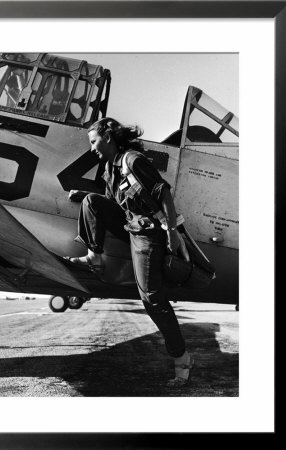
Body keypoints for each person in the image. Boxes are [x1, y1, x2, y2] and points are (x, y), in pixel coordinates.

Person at [67, 117, 194, 386]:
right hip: (130, 226)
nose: (92, 149)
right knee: (92, 201)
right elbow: (115, 206)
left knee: (151, 298)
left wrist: (171, 233)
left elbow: (164, 193)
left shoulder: (133, 160)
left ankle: (181, 357)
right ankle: (93, 256)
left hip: (149, 234)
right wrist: (85, 196)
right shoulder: (108, 171)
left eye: (94, 142)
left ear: (108, 137)